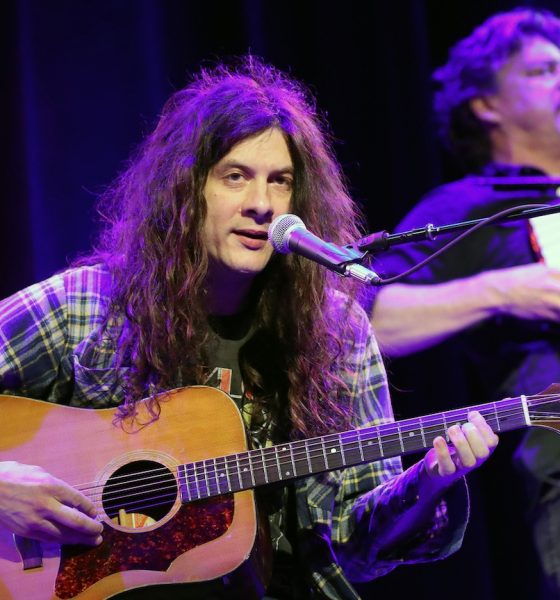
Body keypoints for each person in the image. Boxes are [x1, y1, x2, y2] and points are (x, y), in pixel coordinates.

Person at [0, 57, 497, 600]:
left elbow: (357, 549)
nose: (261, 205)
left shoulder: (335, 330)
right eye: (235, 176)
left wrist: (429, 486)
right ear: (186, 192)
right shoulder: (87, 306)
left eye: (279, 182)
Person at [369, 8, 560, 599]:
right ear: (486, 104)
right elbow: (362, 321)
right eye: (544, 70)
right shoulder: (473, 204)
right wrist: (503, 289)